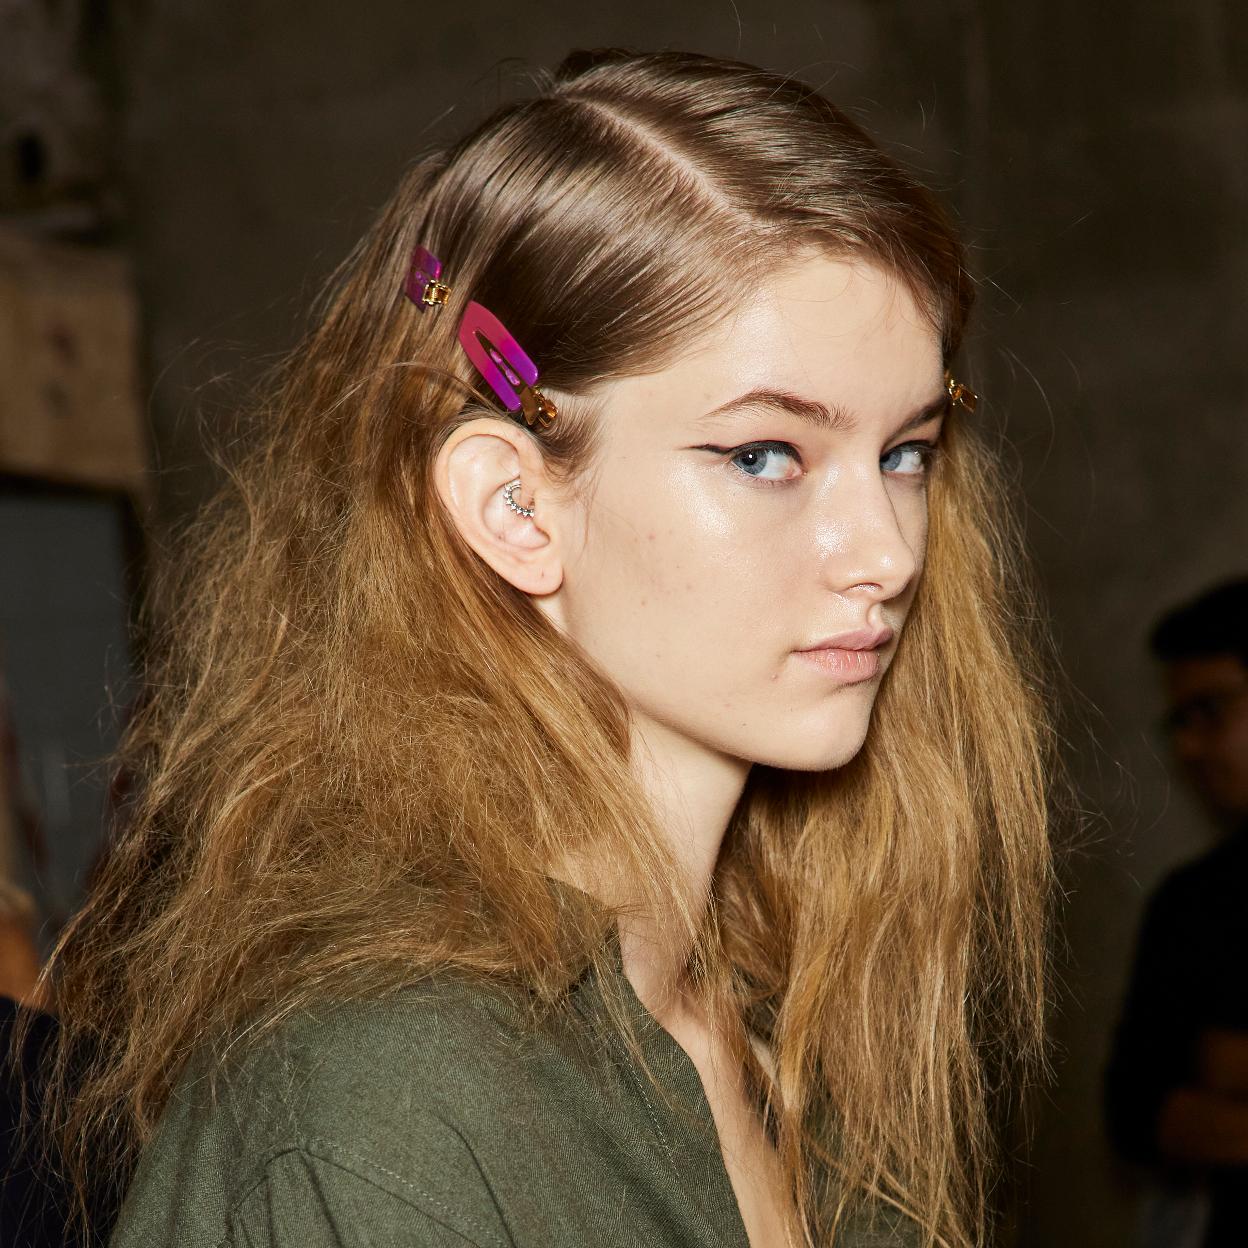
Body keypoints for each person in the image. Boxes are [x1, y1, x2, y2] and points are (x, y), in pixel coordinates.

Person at [32, 49, 1055, 1248]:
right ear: (516, 509)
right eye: (765, 456)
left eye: (905, 452)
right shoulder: (388, 1102)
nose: (883, 551)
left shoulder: (795, 1039)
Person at [1105, 578, 1248, 1248]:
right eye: (1180, 723)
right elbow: (1133, 1112)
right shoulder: (1194, 902)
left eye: (1212, 712)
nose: (1190, 749)